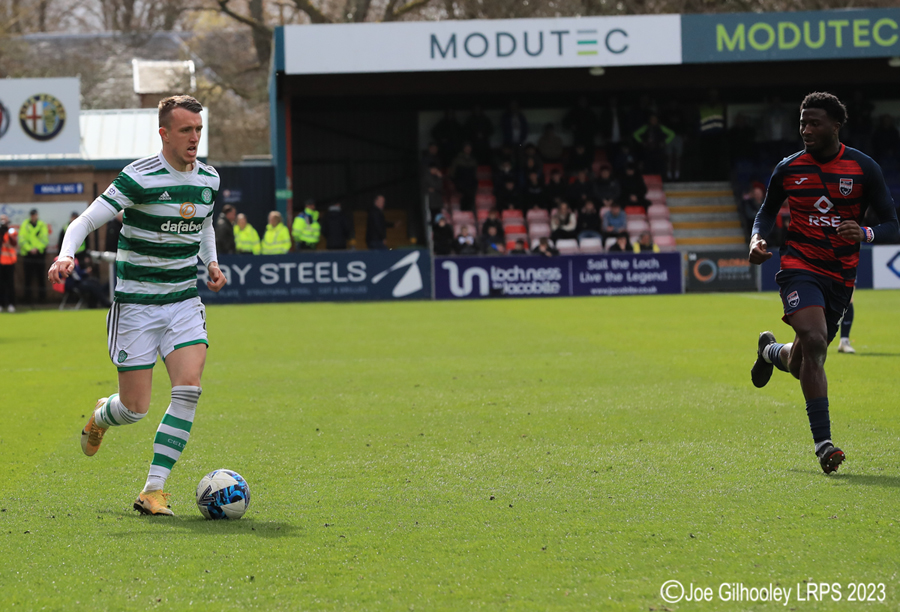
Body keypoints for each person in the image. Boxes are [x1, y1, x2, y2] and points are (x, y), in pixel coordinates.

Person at [47, 95, 227, 516]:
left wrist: (211, 262)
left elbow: (203, 226)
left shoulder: (209, 178)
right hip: (137, 307)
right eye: (185, 130)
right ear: (164, 133)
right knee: (134, 409)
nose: (194, 138)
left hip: (183, 301)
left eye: (198, 130)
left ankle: (153, 489)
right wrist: (66, 253)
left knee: (189, 390)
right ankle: (101, 416)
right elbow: (86, 220)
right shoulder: (138, 177)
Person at [748, 92, 899, 475]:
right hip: (799, 265)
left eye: (814, 122)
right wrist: (756, 239)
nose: (805, 129)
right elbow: (765, 213)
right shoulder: (788, 169)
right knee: (816, 343)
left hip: (840, 276)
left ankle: (771, 351)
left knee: (803, 362)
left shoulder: (863, 168)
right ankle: (824, 445)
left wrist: (865, 232)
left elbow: (891, 224)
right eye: (802, 122)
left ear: (836, 124)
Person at [19, 208, 49, 304]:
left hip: (39, 254)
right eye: (32, 215)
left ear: (37, 215)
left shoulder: (41, 225)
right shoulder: (25, 225)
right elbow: (22, 239)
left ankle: (42, 298)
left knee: (41, 277)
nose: (33, 216)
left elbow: (45, 239)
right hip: (28, 255)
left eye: (34, 215)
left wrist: (36, 248)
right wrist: (29, 249)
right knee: (28, 277)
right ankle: (27, 298)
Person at [0, 214, 17, 312]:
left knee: (10, 284)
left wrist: (6, 231)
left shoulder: (11, 230)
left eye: (4, 220)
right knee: (1, 284)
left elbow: (14, 242)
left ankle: (11, 304)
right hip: (1, 261)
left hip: (10, 261)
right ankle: (1, 304)